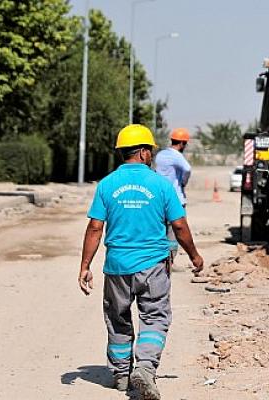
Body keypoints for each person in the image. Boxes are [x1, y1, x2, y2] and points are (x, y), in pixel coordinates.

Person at [77, 124, 204, 399]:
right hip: (153, 266)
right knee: (155, 317)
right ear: (145, 152)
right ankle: (145, 369)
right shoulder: (160, 184)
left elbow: (95, 227)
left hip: (117, 267)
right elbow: (179, 226)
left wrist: (85, 266)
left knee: (117, 318)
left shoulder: (107, 184)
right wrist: (194, 256)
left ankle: (121, 375)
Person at [154, 127, 193, 261]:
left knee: (161, 230)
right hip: (176, 199)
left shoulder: (160, 155)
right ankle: (170, 260)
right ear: (182, 143)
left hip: (159, 199)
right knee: (175, 232)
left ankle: (159, 259)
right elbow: (187, 169)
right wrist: (183, 181)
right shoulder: (177, 156)